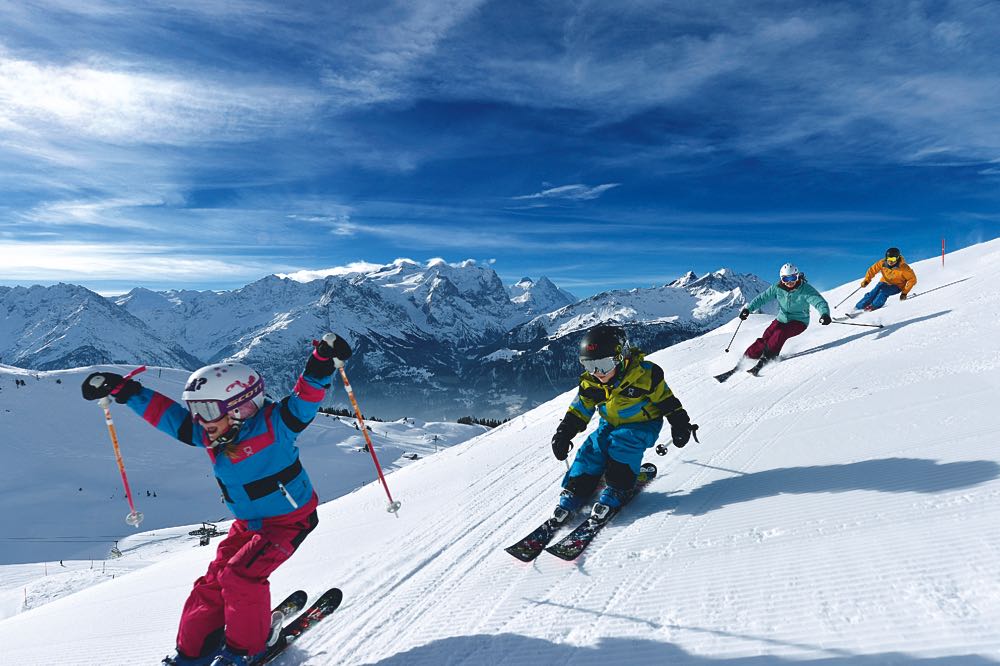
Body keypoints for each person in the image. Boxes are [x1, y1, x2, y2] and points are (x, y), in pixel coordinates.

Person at [81, 333, 352, 666]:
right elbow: (169, 416)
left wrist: (322, 361)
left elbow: (306, 397)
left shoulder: (277, 425)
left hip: (288, 522)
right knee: (212, 585)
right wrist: (125, 391)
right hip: (247, 525)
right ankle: (192, 651)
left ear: (242, 407)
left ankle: (247, 649)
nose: (199, 420)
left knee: (241, 576)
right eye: (196, 410)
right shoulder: (214, 434)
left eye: (207, 410)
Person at [550, 325, 694, 521]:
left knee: (623, 444)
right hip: (609, 423)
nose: (597, 373)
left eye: (603, 365)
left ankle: (619, 489)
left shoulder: (645, 376)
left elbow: (667, 401)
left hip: (642, 424)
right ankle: (577, 488)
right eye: (589, 366)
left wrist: (680, 423)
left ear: (622, 358)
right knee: (592, 449)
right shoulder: (591, 383)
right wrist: (564, 433)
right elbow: (580, 409)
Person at [738, 263, 831, 373]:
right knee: (767, 336)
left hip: (799, 321)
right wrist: (748, 309)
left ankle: (769, 357)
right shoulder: (777, 288)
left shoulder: (805, 289)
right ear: (782, 279)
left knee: (780, 333)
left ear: (797, 276)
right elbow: (762, 298)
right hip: (782, 319)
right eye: (786, 279)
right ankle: (747, 357)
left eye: (793, 278)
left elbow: (819, 302)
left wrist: (824, 314)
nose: (790, 282)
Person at [855, 247, 917, 311]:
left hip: (897, 286)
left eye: (893, 259)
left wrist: (904, 293)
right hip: (884, 282)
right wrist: (866, 280)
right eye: (889, 258)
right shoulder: (882, 263)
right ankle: (859, 307)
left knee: (883, 292)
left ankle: (873, 306)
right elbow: (872, 270)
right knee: (874, 292)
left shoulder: (904, 268)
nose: (890, 261)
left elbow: (912, 280)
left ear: (897, 258)